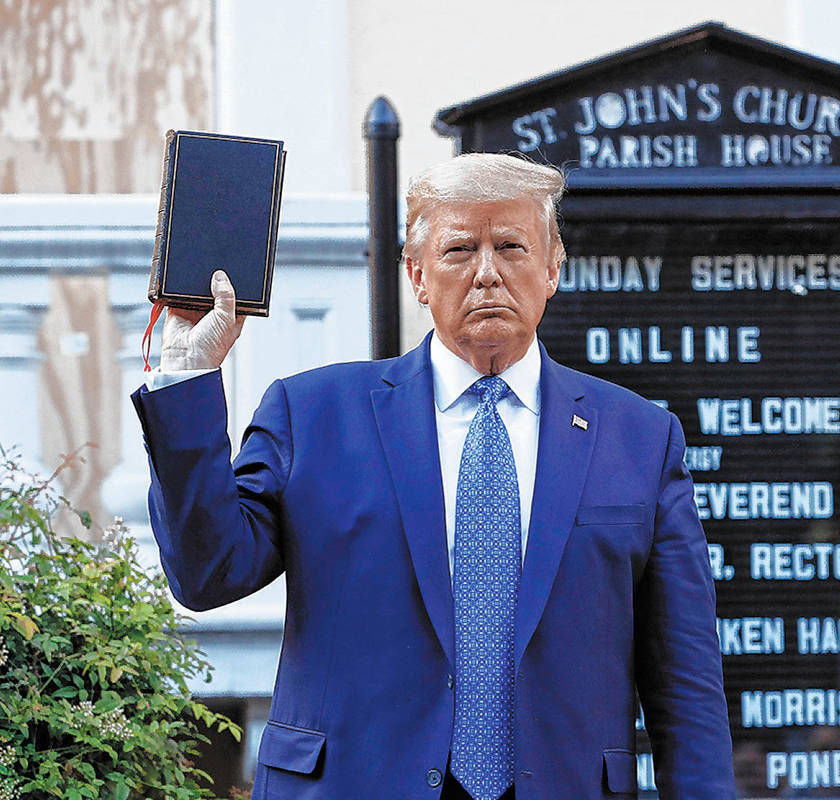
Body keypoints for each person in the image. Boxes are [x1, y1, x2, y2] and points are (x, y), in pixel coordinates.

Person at [131, 152, 735, 799]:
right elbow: (207, 573)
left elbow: (685, 685)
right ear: (417, 275)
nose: (487, 274)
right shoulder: (313, 415)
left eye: (510, 247)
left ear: (553, 267)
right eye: (459, 250)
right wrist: (189, 377)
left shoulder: (637, 437)